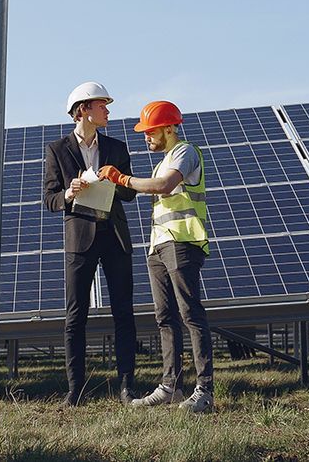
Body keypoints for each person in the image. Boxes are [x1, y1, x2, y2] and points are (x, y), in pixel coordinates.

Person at [102, 99, 214, 413]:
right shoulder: (164, 158)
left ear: (168, 128)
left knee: (191, 315)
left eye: (150, 131)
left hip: (181, 242)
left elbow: (164, 187)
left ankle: (204, 391)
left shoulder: (184, 152)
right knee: (165, 318)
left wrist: (122, 179)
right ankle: (170, 387)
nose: (146, 137)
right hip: (159, 247)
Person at [42, 81, 139, 406]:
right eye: (102, 106)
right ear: (84, 110)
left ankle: (127, 387)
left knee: (123, 312)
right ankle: (76, 390)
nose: (108, 111)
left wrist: (115, 179)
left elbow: (130, 193)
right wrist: (69, 193)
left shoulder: (117, 148)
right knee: (75, 316)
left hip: (114, 236)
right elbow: (50, 198)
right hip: (80, 239)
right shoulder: (57, 150)